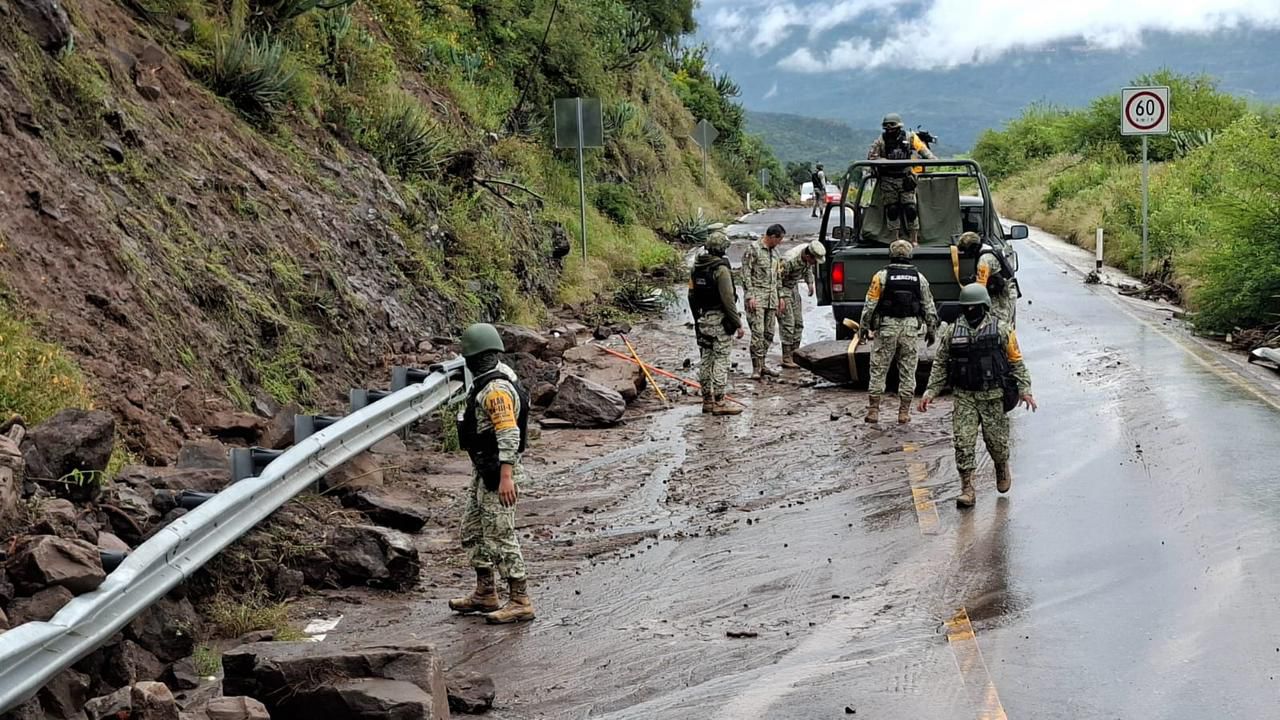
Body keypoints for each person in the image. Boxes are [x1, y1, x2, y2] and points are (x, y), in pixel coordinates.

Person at [919, 285, 1037, 508]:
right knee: (963, 442)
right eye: (967, 307)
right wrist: (931, 391)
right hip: (965, 396)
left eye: (975, 307)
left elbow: (1016, 362)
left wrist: (1025, 390)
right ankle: (967, 488)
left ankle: (1001, 466)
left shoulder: (1002, 330)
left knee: (997, 443)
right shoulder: (952, 332)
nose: (971, 310)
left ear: (984, 306)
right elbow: (940, 363)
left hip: (993, 396)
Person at [449, 323, 535, 623]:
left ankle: (520, 599)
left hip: (499, 472)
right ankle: (486, 591)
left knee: (500, 535)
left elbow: (508, 433)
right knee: (472, 531)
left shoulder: (495, 390)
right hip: (486, 470)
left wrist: (506, 477)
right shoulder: (488, 382)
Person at [860, 239, 939, 424]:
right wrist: (931, 331)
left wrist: (863, 328)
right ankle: (903, 413)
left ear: (891, 255)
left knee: (879, 369)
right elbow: (929, 307)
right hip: (910, 330)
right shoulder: (919, 278)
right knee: (908, 370)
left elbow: (869, 305)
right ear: (910, 255)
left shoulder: (881, 276)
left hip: (886, 328)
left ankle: (873, 411)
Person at [689, 230, 745, 415]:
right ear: (722, 249)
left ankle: (707, 400)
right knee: (721, 359)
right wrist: (737, 324)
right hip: (719, 320)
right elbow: (728, 300)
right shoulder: (721, 270)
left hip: (703, 319)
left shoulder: (697, 267)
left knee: (706, 359)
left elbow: (691, 295)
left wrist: (697, 319)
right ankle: (720, 402)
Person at [867, 113, 936, 245]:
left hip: (906, 178)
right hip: (888, 179)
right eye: (887, 128)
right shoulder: (881, 140)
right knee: (892, 210)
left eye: (892, 127)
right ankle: (895, 239)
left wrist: (932, 159)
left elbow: (923, 150)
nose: (890, 130)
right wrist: (886, 162)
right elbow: (872, 157)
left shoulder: (910, 137)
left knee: (911, 209)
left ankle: (914, 238)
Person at [741, 223, 786, 379]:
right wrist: (750, 296)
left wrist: (780, 296)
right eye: (779, 240)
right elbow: (745, 274)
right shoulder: (753, 250)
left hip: (771, 299)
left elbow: (778, 276)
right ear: (772, 237)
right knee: (757, 333)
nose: (779, 243)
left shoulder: (775, 253)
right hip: (757, 298)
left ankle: (763, 364)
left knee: (769, 333)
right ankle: (756, 367)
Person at [779, 240, 826, 368]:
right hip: (783, 288)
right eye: (814, 260)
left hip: (793, 287)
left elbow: (807, 268)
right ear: (808, 256)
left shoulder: (807, 252)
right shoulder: (789, 260)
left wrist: (810, 282)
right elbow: (777, 279)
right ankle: (786, 357)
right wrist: (780, 297)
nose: (815, 263)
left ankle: (795, 353)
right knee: (788, 324)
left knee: (798, 323)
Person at [957, 231, 1019, 327]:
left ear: (973, 247)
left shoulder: (984, 260)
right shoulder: (988, 248)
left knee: (999, 326)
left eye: (967, 251)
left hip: (1002, 297)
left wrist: (969, 284)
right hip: (1005, 291)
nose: (967, 254)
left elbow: (980, 288)